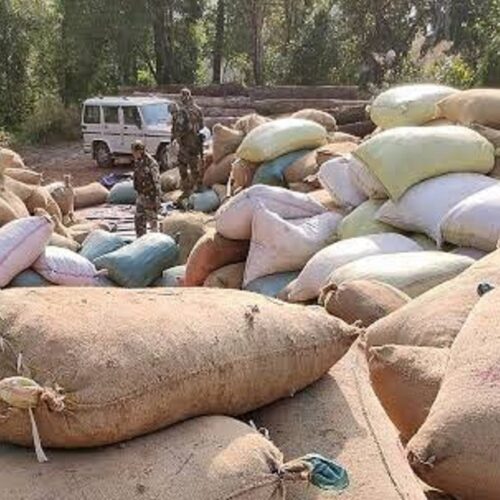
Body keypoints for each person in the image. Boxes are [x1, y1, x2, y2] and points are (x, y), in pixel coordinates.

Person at [171, 88, 204, 202]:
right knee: (195, 167)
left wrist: (176, 138)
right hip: (196, 143)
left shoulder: (182, 111)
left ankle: (186, 191)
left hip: (185, 144)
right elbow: (202, 126)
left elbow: (179, 128)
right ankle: (196, 187)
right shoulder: (198, 110)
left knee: (183, 167)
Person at [131, 140, 161, 238]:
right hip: (141, 194)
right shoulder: (138, 161)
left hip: (150, 195)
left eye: (135, 152)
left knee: (152, 220)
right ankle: (140, 238)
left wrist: (156, 197)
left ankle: (155, 240)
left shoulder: (151, 163)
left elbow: (156, 180)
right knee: (139, 218)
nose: (134, 154)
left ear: (140, 151)